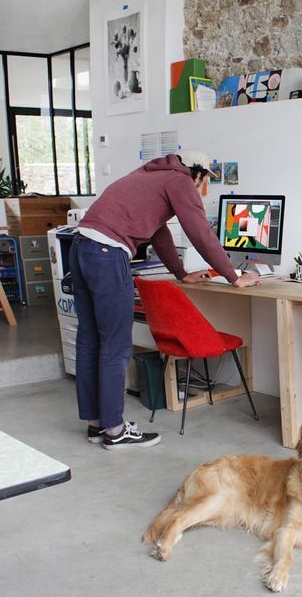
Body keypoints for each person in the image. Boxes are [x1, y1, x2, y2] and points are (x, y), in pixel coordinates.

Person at [70, 150, 260, 450]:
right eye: (203, 182)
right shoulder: (180, 180)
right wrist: (233, 277)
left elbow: (159, 233)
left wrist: (181, 273)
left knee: (91, 340)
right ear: (197, 173)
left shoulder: (149, 175)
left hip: (81, 248)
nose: (200, 189)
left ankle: (97, 424)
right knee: (115, 345)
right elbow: (199, 231)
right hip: (107, 254)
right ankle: (116, 431)